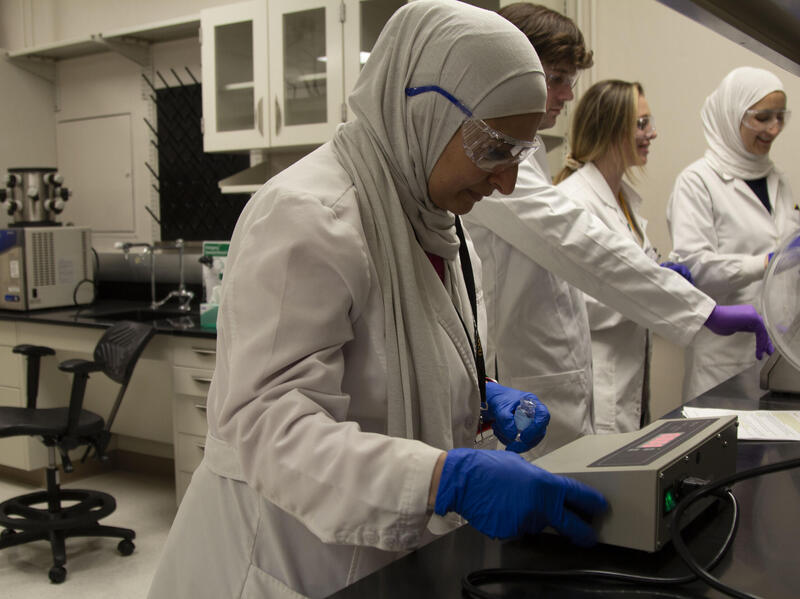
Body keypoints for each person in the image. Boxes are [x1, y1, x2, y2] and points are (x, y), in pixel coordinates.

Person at [147, 3, 607, 599]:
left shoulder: (434, 216)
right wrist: (445, 479)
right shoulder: (310, 215)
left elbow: (392, 355)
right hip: (287, 559)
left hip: (389, 556)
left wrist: (477, 395)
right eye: (494, 148)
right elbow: (268, 426)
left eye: (518, 154)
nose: (506, 183)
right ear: (427, 109)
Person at [463, 3, 773, 456]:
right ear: (514, 70)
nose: (569, 94)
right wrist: (702, 309)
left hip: (564, 377)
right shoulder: (496, 157)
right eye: (558, 78)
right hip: (529, 382)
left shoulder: (525, 156)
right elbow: (578, 242)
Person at [553, 80, 693, 433]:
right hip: (600, 379)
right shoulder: (574, 199)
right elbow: (577, 298)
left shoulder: (621, 198)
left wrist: (655, 275)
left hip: (630, 377)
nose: (653, 133)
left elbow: (620, 271)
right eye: (642, 124)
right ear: (613, 128)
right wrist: (650, 289)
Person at [667, 66, 798, 402]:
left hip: (779, 353)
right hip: (721, 358)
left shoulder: (777, 180)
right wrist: (767, 263)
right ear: (731, 115)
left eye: (780, 117)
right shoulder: (697, 182)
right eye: (763, 117)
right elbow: (695, 269)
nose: (774, 128)